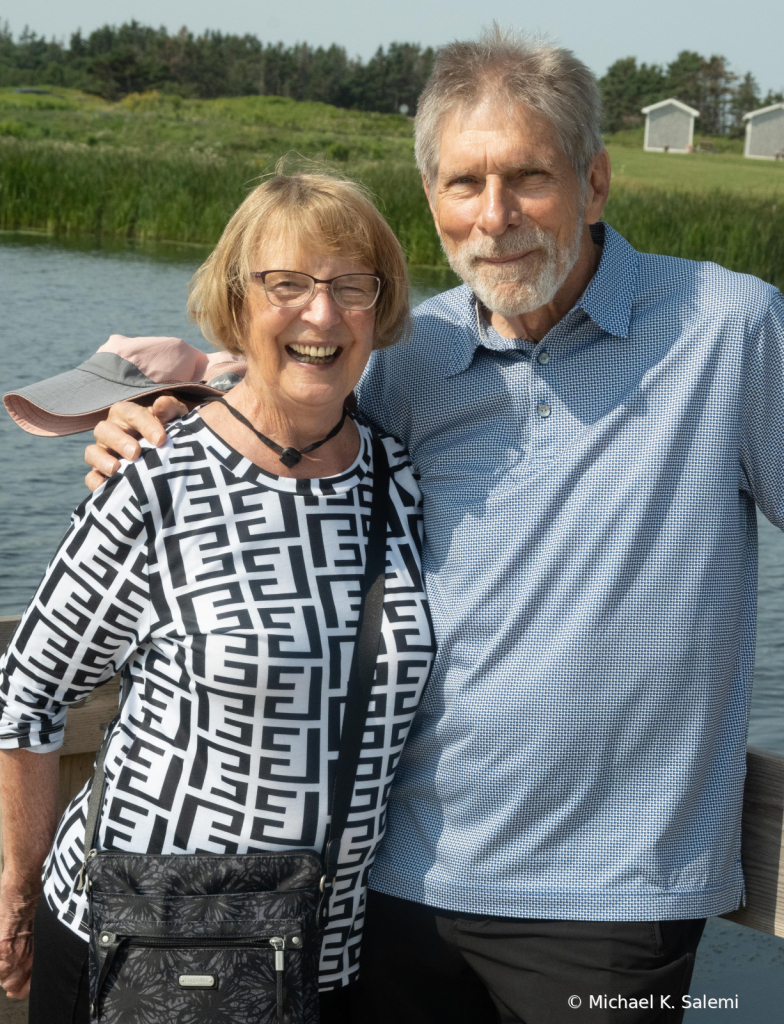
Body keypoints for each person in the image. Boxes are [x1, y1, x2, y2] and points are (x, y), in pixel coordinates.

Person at [40, 25, 784, 1024]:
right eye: (462, 184)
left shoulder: (728, 329)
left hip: (614, 904)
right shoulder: (406, 353)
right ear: (429, 197)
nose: (495, 217)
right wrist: (152, 418)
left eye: (529, 177)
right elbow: (271, 408)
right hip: (386, 889)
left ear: (596, 182)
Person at [0, 173, 435, 1023]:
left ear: (379, 310)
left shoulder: (400, 478)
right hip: (139, 940)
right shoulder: (158, 479)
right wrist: (15, 892)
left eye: (352, 285)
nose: (322, 314)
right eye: (288, 285)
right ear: (236, 306)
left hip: (326, 949)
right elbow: (27, 691)